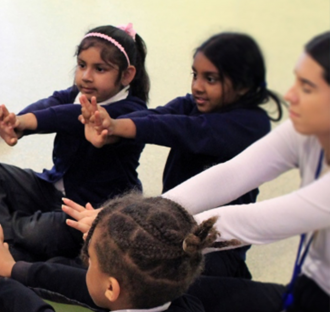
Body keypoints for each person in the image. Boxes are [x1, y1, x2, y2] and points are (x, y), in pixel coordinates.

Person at [71, 32, 330, 312]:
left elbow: (253, 223)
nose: (290, 95)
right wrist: (136, 217)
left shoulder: (252, 123)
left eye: (306, 87)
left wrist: (132, 228)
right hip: (309, 286)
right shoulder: (305, 132)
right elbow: (233, 174)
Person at [80, 32, 284, 278]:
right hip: (173, 229)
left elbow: (182, 130)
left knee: (133, 275)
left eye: (210, 79)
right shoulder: (192, 104)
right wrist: (110, 126)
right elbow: (156, 116)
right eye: (195, 75)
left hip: (216, 252)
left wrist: (114, 126)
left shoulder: (251, 124)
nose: (197, 86)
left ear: (242, 85)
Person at [0, 24, 149, 261]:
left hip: (89, 211)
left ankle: (4, 240)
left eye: (100, 69)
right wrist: (14, 123)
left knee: (35, 233)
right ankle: (8, 242)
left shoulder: (131, 112)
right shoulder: (76, 94)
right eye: (82, 65)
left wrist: (24, 122)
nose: (86, 76)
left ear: (127, 75)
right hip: (53, 187)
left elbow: (65, 117)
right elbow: (50, 105)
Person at [0, 194, 239, 312]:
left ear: (111, 288)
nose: (85, 264)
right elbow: (79, 283)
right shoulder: (183, 301)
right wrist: (13, 269)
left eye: (90, 260)